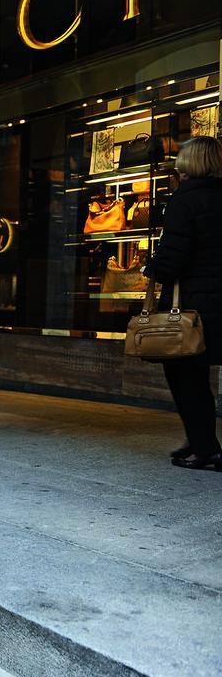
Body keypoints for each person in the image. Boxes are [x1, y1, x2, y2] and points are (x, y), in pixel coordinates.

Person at [142, 136, 222, 470]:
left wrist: (152, 267)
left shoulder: (184, 199)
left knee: (186, 377)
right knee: (200, 375)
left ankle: (204, 449)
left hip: (192, 308)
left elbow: (173, 260)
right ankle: (199, 439)